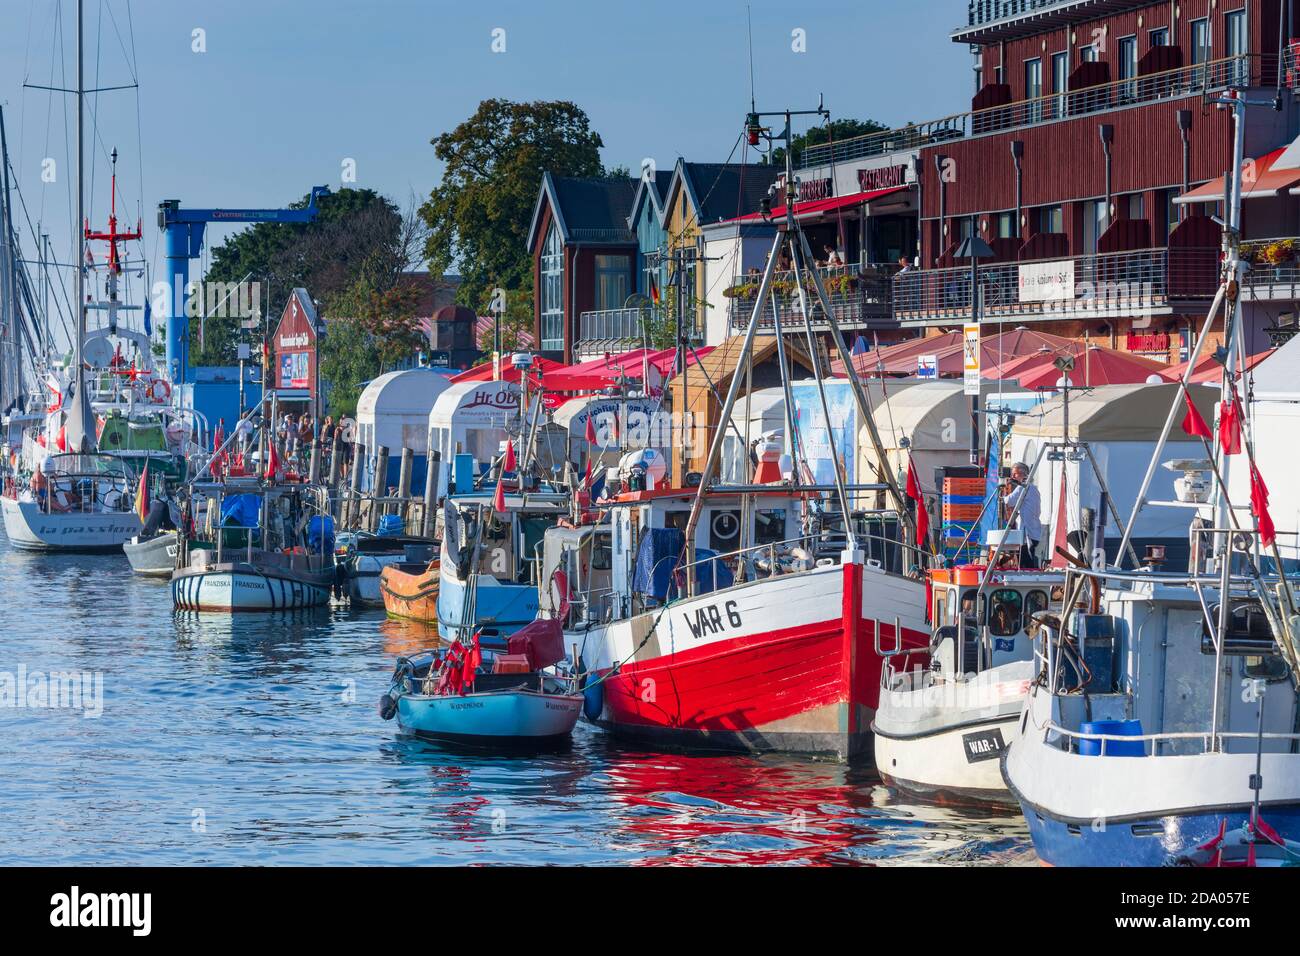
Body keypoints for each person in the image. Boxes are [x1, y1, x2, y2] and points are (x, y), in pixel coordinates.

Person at [1002, 462, 1042, 568]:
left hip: (1027, 532)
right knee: (1026, 558)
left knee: (1025, 561)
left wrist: (1003, 492)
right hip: (1033, 530)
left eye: (1014, 474)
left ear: (1022, 474)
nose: (1012, 477)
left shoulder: (1024, 488)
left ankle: (1027, 580)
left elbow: (1009, 501)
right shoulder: (1033, 488)